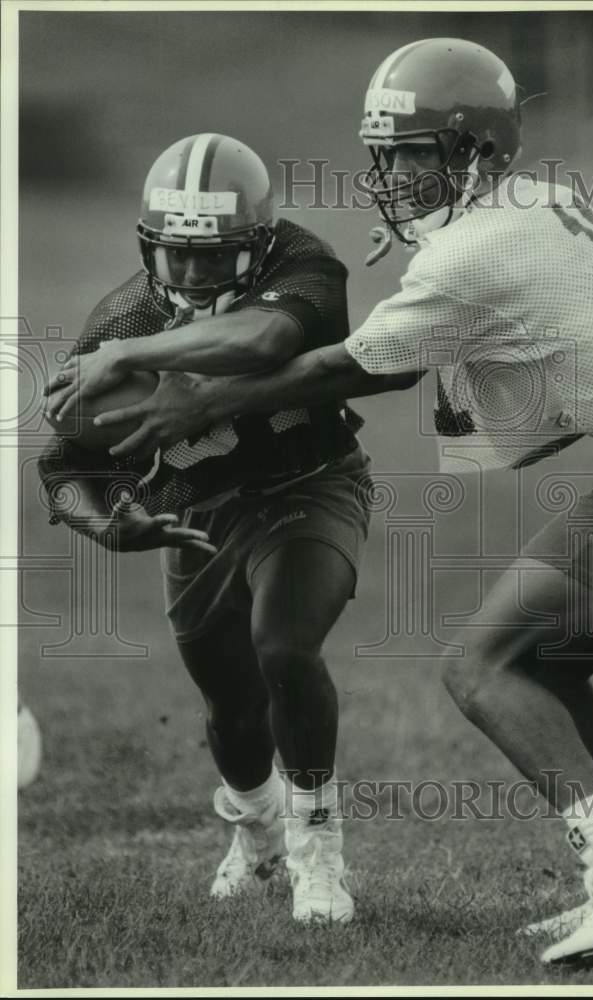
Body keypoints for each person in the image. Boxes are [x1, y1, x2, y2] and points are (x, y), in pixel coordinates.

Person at [54, 41, 593, 967]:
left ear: (475, 151)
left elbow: (345, 367)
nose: (395, 176)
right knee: (552, 665)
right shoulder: (536, 198)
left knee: (483, 665)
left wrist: (182, 392)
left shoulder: (472, 253)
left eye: (415, 152)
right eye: (387, 154)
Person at [41, 132, 379, 925]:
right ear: (148, 244)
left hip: (312, 485)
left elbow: (266, 338)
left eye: (214, 254)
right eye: (176, 254)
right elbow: (64, 468)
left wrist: (133, 352)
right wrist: (107, 526)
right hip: (200, 512)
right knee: (231, 707)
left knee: (285, 645)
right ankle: (256, 829)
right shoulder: (121, 316)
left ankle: (317, 850)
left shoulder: (302, 263)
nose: (191, 273)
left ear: (258, 246)